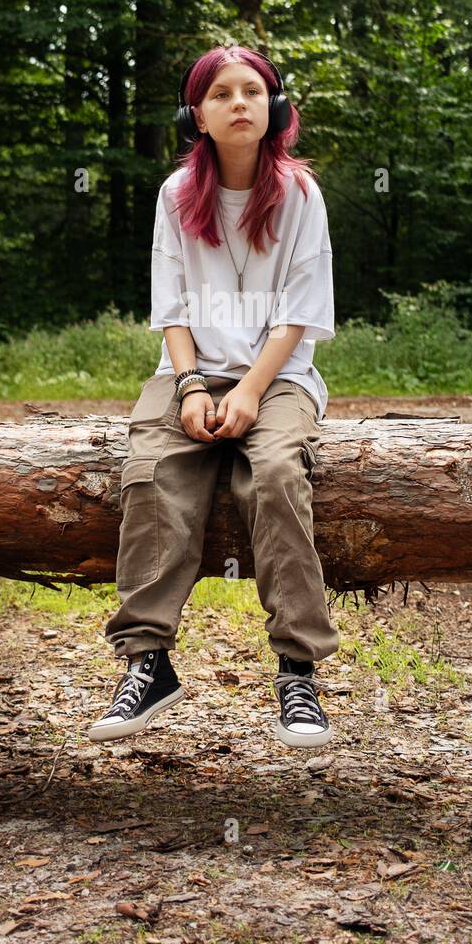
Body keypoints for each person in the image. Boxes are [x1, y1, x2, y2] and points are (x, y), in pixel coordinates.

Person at [88, 44, 339, 748]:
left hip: (280, 377)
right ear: (196, 114)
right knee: (151, 472)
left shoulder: (299, 194)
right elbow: (171, 307)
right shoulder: (176, 194)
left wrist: (252, 390)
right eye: (221, 93)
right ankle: (147, 663)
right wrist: (191, 385)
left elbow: (299, 312)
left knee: (277, 474)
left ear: (274, 106)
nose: (238, 103)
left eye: (252, 91)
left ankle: (297, 671)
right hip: (188, 371)